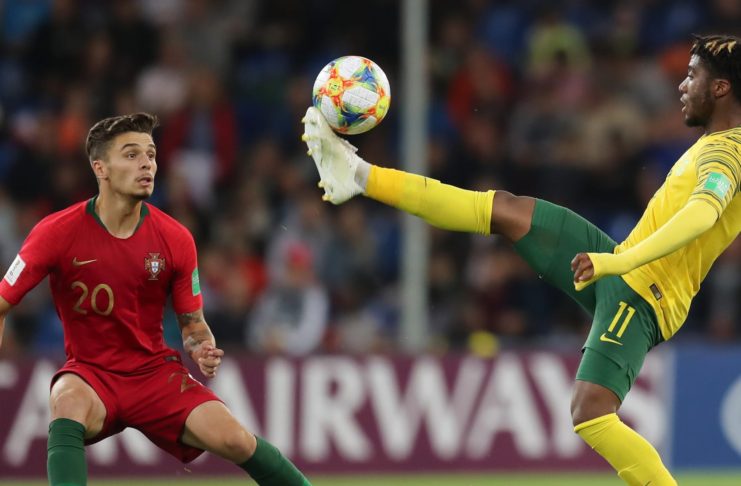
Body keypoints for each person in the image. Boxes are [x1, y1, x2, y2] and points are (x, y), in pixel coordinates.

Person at [302, 34, 741, 486]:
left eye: (692, 76)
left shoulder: (728, 153)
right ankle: (357, 175)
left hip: (645, 294)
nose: (682, 86)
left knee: (590, 412)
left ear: (721, 87)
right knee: (505, 210)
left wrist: (619, 264)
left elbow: (702, 216)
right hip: (622, 265)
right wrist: (618, 262)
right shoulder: (718, 143)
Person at [0, 113, 312, 486]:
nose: (146, 163)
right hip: (91, 374)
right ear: (100, 168)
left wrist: (201, 346)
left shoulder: (175, 238)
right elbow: (3, 302)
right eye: (131, 154)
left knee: (236, 440)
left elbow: (192, 325)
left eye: (150, 154)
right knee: (67, 400)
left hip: (154, 375)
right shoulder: (55, 232)